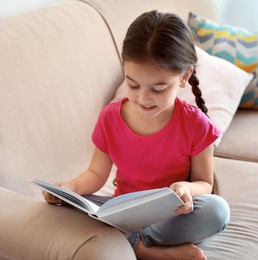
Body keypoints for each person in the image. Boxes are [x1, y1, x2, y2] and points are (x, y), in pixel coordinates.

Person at [43, 10, 230, 260]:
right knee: (64, 208)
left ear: (184, 76)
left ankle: (136, 244)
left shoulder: (197, 125)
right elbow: (97, 175)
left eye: (158, 88)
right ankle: (146, 250)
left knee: (217, 211)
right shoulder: (110, 117)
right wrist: (70, 188)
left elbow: (204, 184)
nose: (143, 98)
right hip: (123, 212)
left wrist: (187, 188)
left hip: (169, 217)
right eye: (133, 84)